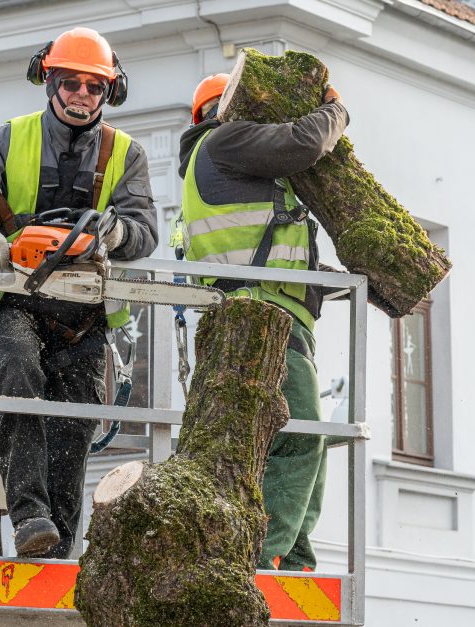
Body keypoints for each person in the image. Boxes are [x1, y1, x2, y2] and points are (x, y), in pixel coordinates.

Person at [0, 26, 158, 558]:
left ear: (110, 92)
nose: (83, 95)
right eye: (71, 83)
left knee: (76, 418)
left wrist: (115, 233)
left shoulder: (125, 154)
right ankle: (30, 517)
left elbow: (144, 230)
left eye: (95, 86)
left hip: (85, 308)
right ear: (49, 80)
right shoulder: (9, 138)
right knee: (18, 371)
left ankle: (56, 546)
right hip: (16, 299)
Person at [176, 73, 349, 571]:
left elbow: (271, 251)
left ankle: (294, 554)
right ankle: (265, 554)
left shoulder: (230, 174)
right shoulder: (225, 141)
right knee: (299, 435)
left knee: (302, 438)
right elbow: (305, 141)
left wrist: (347, 283)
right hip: (261, 318)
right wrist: (335, 110)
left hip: (270, 314)